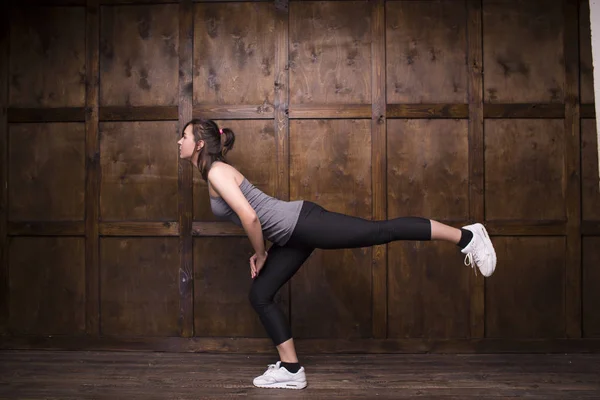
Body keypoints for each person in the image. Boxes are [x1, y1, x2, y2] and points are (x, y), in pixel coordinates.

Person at [177, 118, 497, 390]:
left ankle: (466, 236)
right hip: (290, 236)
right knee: (261, 294)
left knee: (378, 232)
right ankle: (290, 370)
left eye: (185, 136)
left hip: (302, 223)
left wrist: (260, 253)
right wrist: (263, 250)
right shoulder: (214, 173)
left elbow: (250, 217)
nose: (180, 141)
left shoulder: (217, 172)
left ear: (201, 144)